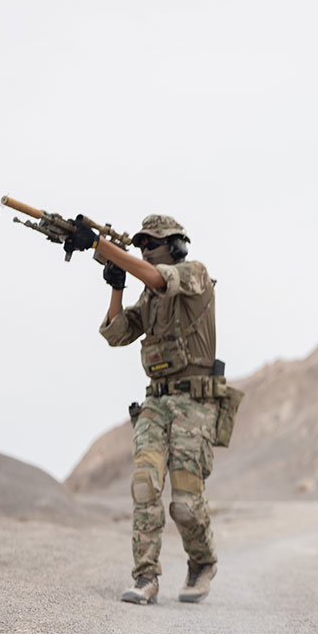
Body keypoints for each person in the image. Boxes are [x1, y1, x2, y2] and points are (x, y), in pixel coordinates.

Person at [66, 215, 223, 606]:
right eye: (140, 246)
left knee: (185, 504)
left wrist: (101, 246)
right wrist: (117, 286)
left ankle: (202, 562)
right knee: (145, 485)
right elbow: (117, 333)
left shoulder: (195, 274)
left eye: (152, 244)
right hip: (156, 402)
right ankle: (146, 576)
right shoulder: (149, 297)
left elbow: (158, 278)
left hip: (193, 404)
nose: (145, 251)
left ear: (176, 246)